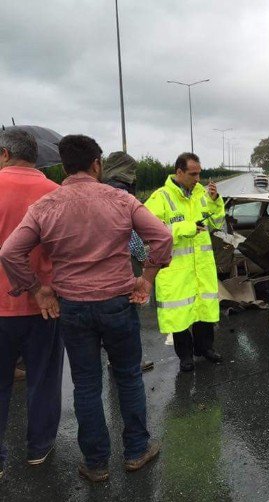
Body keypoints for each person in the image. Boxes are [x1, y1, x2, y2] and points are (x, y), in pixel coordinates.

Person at [0, 135, 173, 483]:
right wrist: (147, 279)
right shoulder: (121, 199)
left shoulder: (47, 205)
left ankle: (96, 463)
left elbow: (9, 253)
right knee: (127, 378)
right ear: (97, 164)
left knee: (87, 385)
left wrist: (38, 291)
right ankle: (137, 451)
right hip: (118, 304)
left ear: (64, 166)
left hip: (73, 307)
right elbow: (163, 237)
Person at [0, 129, 63, 480]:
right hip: (45, 305)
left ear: (5, 153)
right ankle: (39, 449)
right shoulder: (55, 194)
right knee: (43, 379)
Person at [144, 153, 225, 372]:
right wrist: (185, 228)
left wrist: (217, 202)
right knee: (179, 317)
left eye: (199, 173)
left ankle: (205, 348)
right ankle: (185, 357)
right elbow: (149, 232)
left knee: (204, 310)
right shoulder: (160, 197)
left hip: (202, 267)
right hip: (176, 271)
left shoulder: (202, 194)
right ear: (179, 172)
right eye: (193, 174)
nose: (198, 178)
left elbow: (217, 223)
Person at [103, 151, 154, 373]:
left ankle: (113, 360)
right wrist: (143, 259)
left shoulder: (100, 191)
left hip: (102, 263)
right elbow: (131, 236)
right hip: (125, 263)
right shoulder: (123, 195)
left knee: (109, 315)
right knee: (128, 313)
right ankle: (130, 362)